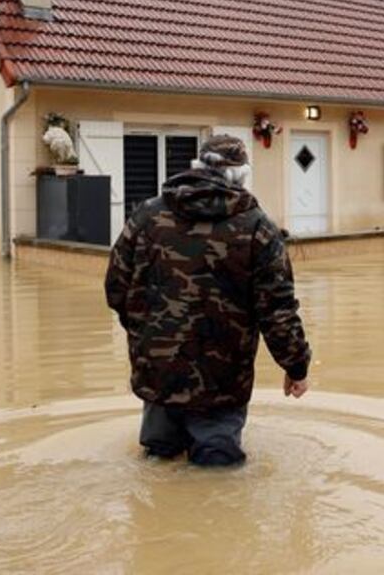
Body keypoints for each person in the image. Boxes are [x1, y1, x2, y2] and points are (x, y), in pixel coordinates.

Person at [104, 134, 312, 466]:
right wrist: (296, 366)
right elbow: (277, 311)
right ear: (241, 174)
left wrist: (146, 334)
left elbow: (116, 286)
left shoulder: (147, 216)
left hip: (159, 372)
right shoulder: (257, 228)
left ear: (199, 166)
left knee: (158, 463)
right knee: (218, 473)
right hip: (222, 382)